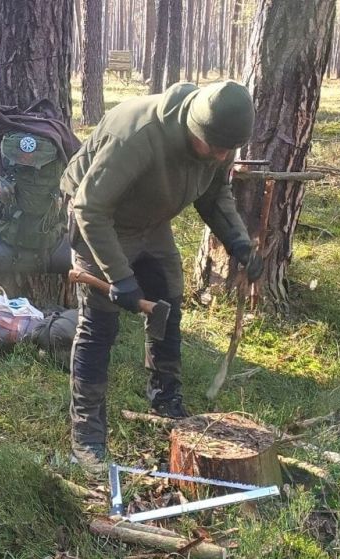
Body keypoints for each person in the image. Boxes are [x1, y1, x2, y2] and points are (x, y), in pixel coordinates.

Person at [61, 80, 263, 472]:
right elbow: (89, 207)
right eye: (216, 148)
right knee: (99, 326)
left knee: (168, 300)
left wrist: (239, 243)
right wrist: (119, 277)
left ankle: (166, 400)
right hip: (99, 221)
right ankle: (86, 437)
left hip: (150, 222)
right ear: (195, 128)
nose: (222, 156)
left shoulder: (219, 138)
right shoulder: (137, 135)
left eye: (228, 150)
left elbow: (214, 194)